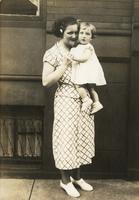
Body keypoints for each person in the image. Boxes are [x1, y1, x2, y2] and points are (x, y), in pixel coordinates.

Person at [42, 17, 95, 198]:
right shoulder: (52, 53)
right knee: (66, 140)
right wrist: (64, 65)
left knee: (80, 137)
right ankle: (65, 181)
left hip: (83, 99)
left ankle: (77, 177)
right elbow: (46, 81)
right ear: (61, 32)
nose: (74, 35)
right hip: (65, 99)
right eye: (70, 32)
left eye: (76, 31)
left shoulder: (80, 49)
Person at [68, 22, 106, 114]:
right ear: (78, 35)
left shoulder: (88, 47)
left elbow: (85, 58)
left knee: (78, 85)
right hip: (85, 70)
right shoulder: (78, 47)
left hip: (87, 71)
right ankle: (97, 103)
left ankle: (86, 99)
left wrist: (74, 58)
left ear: (92, 37)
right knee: (90, 88)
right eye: (81, 33)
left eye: (87, 34)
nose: (84, 36)